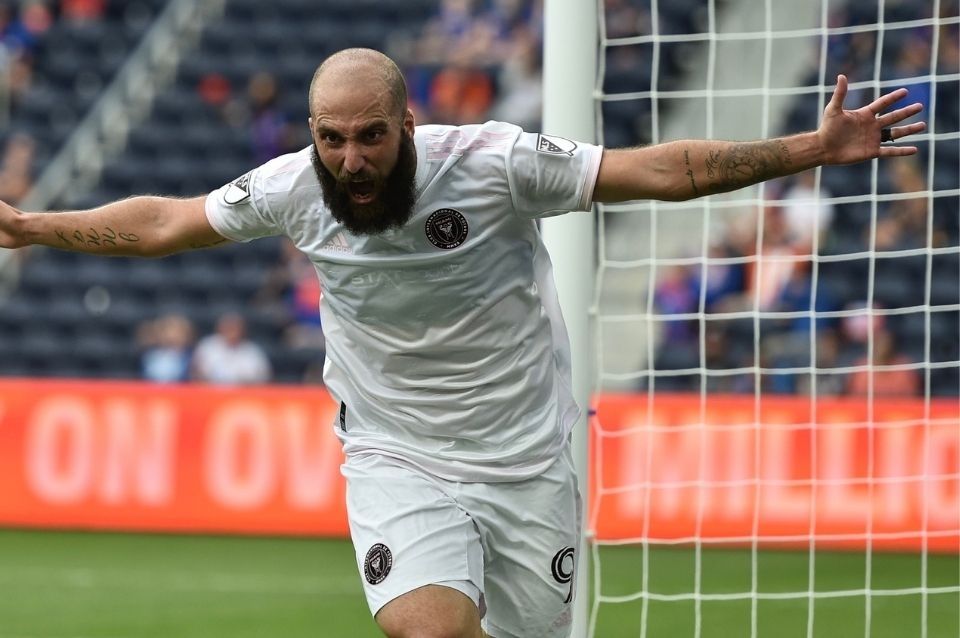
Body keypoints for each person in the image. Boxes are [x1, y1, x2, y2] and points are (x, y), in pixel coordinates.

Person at [0, 47, 925, 638]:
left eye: (370, 136)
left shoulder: (492, 164)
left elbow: (657, 170)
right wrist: (33, 227)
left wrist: (806, 150)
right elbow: (166, 221)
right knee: (428, 629)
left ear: (408, 123)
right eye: (332, 139)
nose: (351, 160)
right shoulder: (292, 186)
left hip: (526, 460)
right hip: (396, 453)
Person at [191, 311, 272, 385]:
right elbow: (197, 374)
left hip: (244, 393)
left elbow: (262, 378)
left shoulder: (253, 351)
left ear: (242, 330)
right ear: (219, 328)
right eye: (228, 327)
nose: (231, 331)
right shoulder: (207, 346)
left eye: (235, 327)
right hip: (211, 392)